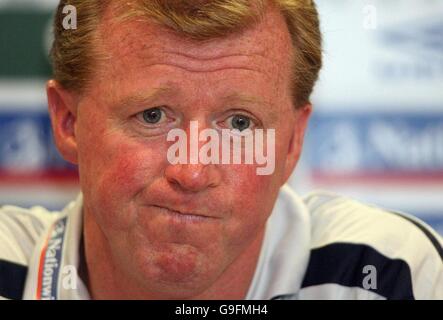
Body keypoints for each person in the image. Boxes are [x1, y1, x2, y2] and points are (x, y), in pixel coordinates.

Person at [0, 0, 442, 300]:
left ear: (292, 143)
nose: (192, 171)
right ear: (68, 122)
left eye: (238, 123)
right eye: (153, 116)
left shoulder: (392, 275)